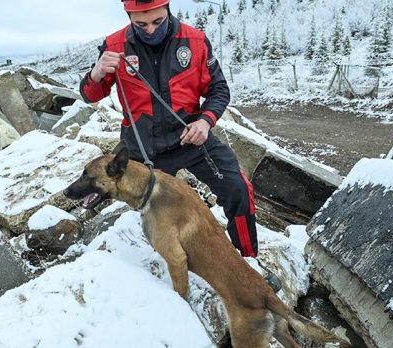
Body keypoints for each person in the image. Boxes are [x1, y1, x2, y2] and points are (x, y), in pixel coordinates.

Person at [79, 0, 259, 258]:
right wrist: (95, 75)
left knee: (237, 187)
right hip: (141, 146)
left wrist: (205, 121)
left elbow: (219, 89)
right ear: (128, 16)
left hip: (190, 138)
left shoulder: (195, 42)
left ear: (168, 10)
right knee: (145, 210)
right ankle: (155, 266)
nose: (150, 30)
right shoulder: (114, 46)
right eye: (140, 24)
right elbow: (90, 95)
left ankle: (248, 260)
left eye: (157, 22)